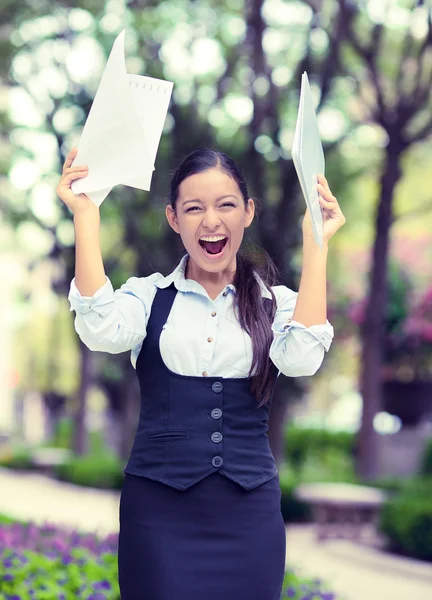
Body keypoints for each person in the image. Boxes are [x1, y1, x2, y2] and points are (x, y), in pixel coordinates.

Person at [56, 146, 345, 600]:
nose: (211, 220)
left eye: (226, 204)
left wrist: (317, 243)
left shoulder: (278, 304)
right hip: (157, 516)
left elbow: (303, 358)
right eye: (194, 208)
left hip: (250, 519)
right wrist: (86, 218)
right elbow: (98, 329)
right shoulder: (148, 297)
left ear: (248, 212)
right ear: (174, 218)